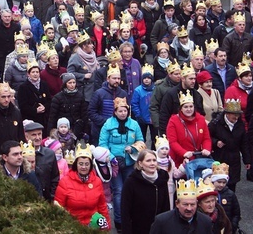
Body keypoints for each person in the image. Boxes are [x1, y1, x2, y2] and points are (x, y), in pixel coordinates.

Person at [97, 97, 144, 230]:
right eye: (120, 111)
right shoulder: (108, 124)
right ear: (115, 112)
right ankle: (119, 220)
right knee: (119, 191)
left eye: (125, 111)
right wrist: (112, 157)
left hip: (130, 163)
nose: (123, 113)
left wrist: (133, 148)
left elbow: (141, 140)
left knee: (131, 190)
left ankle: (131, 217)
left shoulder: (134, 124)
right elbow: (102, 144)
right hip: (114, 164)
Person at [53, 141, 110, 229]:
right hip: (73, 227)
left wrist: (107, 226)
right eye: (81, 164)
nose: (84, 167)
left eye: (87, 164)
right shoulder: (65, 182)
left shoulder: (97, 181)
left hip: (93, 227)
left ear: (91, 165)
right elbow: (58, 208)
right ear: (76, 164)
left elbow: (102, 206)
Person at [120, 149, 170, 234]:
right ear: (140, 163)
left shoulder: (162, 179)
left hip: (158, 228)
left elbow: (166, 206)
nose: (152, 163)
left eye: (154, 160)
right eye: (148, 160)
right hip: (138, 229)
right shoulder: (131, 182)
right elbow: (125, 210)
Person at [208, 99, 250, 191]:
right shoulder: (216, 123)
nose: (236, 117)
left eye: (238, 114)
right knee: (218, 184)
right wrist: (215, 142)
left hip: (234, 158)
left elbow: (244, 143)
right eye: (234, 114)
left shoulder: (240, 124)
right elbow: (207, 138)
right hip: (220, 158)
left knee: (231, 185)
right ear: (227, 113)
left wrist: (247, 160)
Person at [166, 91, 212, 169]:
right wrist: (184, 153)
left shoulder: (200, 119)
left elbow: (206, 138)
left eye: (191, 106)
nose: (189, 109)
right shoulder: (173, 120)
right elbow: (172, 142)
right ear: (181, 109)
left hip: (198, 158)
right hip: (180, 159)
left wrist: (206, 149)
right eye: (186, 107)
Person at [23, 120, 59, 202]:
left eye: (39, 134)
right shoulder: (20, 154)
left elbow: (55, 178)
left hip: (46, 199)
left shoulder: (50, 154)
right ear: (26, 136)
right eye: (34, 135)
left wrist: (51, 196)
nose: (38, 137)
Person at [47, 72, 88, 139]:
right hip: (62, 129)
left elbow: (84, 115)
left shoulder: (80, 96)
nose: (72, 85)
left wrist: (85, 130)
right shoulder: (57, 98)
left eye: (74, 82)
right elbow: (52, 117)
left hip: (77, 128)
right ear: (65, 84)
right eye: (69, 83)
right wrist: (50, 133)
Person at [17, 61, 52, 130]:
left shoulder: (44, 84)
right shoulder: (23, 87)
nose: (35, 74)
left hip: (44, 119)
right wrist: (35, 110)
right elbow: (22, 106)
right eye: (33, 72)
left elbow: (49, 100)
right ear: (28, 74)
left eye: (37, 72)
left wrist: (44, 107)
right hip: (30, 119)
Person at [210, 162, 241, 232]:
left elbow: (236, 213)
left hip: (227, 228)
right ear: (213, 181)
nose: (221, 185)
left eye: (224, 182)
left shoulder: (231, 194)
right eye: (219, 182)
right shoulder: (209, 194)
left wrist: (233, 226)